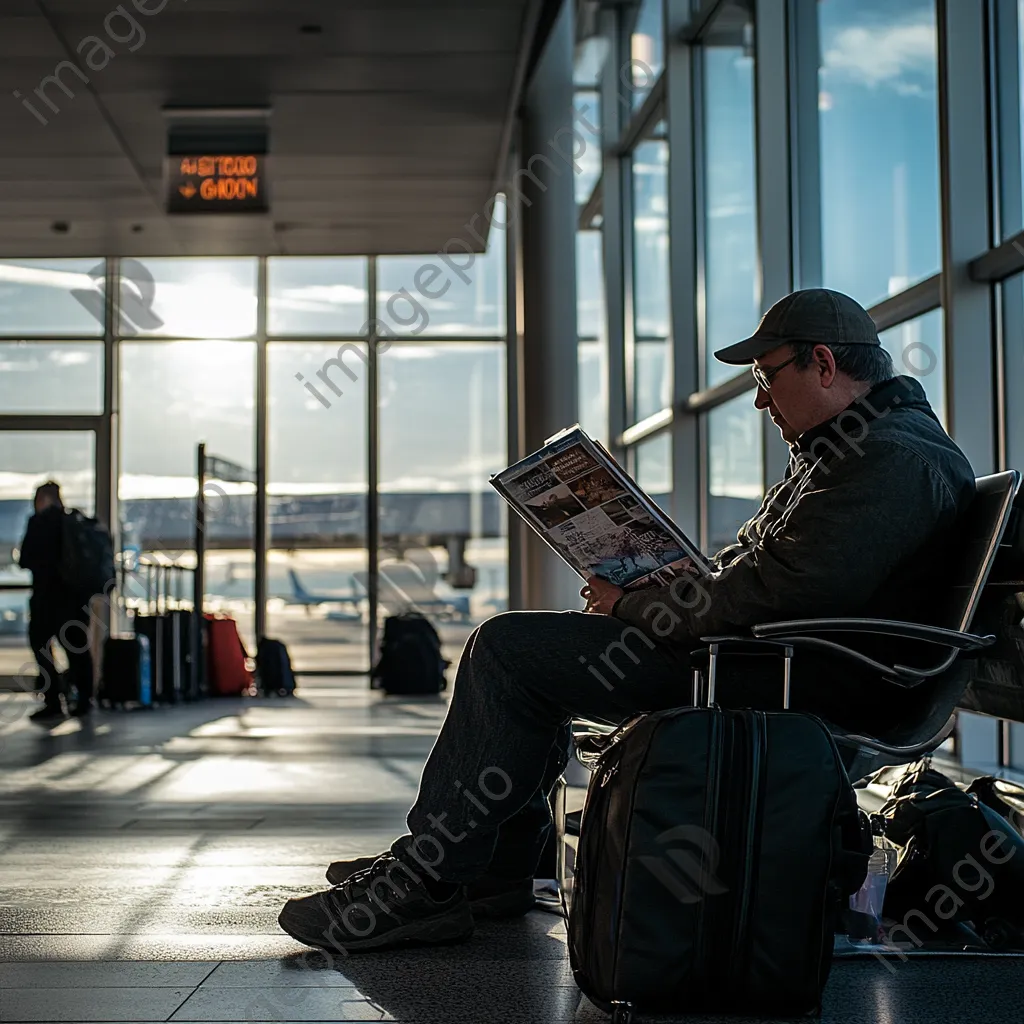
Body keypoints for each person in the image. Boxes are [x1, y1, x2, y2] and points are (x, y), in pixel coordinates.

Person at [278, 288, 976, 953]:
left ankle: (428, 881)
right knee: (528, 658)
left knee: (509, 650)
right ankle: (484, 870)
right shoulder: (854, 450)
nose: (761, 398)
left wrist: (636, 604)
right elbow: (772, 583)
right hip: (775, 660)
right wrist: (665, 578)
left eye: (768, 376)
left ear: (823, 363)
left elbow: (776, 595)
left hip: (792, 678)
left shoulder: (887, 459)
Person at [18, 481, 95, 723]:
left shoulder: (39, 523)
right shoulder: (75, 522)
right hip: (76, 599)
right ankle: (84, 700)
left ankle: (53, 700)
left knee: (41, 646)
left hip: (47, 599)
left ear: (43, 499)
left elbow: (25, 558)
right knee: (78, 650)